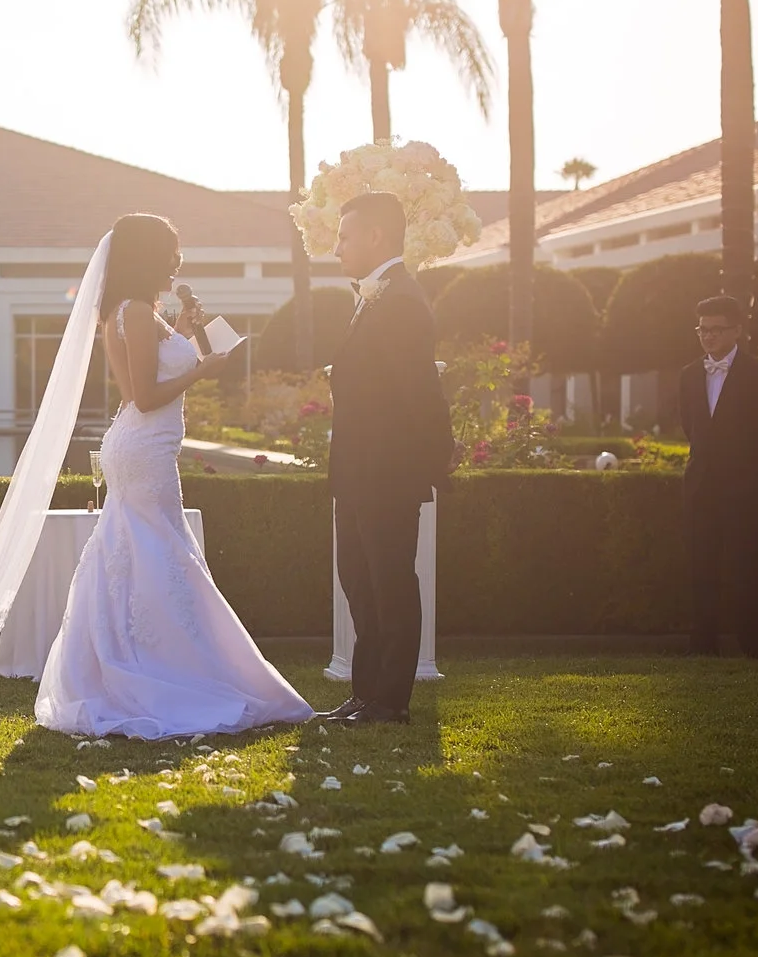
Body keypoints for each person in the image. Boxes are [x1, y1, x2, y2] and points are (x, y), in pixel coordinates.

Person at [35, 216, 311, 738]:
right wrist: (202, 369)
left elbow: (151, 372)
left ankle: (131, 659)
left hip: (142, 447)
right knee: (157, 553)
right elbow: (145, 395)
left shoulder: (134, 311)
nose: (177, 260)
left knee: (136, 552)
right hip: (143, 449)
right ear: (148, 256)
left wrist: (183, 333)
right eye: (171, 250)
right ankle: (159, 667)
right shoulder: (135, 311)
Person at [321, 193, 455, 725]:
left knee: (390, 581)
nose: (335, 249)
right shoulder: (375, 296)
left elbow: (420, 389)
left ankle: (391, 700)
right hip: (358, 470)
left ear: (376, 237)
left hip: (386, 472)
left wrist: (435, 457)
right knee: (358, 579)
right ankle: (365, 692)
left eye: (344, 236)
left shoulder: (401, 299)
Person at [676, 294, 758, 657]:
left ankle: (753, 642)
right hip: (700, 487)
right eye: (702, 329)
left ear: (738, 330)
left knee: (747, 565)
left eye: (716, 329)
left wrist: (749, 471)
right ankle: (703, 642)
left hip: (745, 489)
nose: (708, 336)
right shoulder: (689, 375)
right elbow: (691, 428)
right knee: (701, 567)